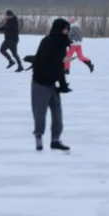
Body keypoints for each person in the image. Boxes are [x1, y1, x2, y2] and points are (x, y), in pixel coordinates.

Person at [29, 17, 72, 152]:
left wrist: (62, 85)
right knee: (40, 113)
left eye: (67, 29)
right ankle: (38, 139)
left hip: (52, 84)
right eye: (65, 29)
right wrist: (62, 83)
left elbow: (60, 67)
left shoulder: (62, 44)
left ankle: (55, 140)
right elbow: (51, 64)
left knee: (57, 114)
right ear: (59, 29)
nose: (66, 32)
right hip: (40, 83)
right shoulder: (48, 42)